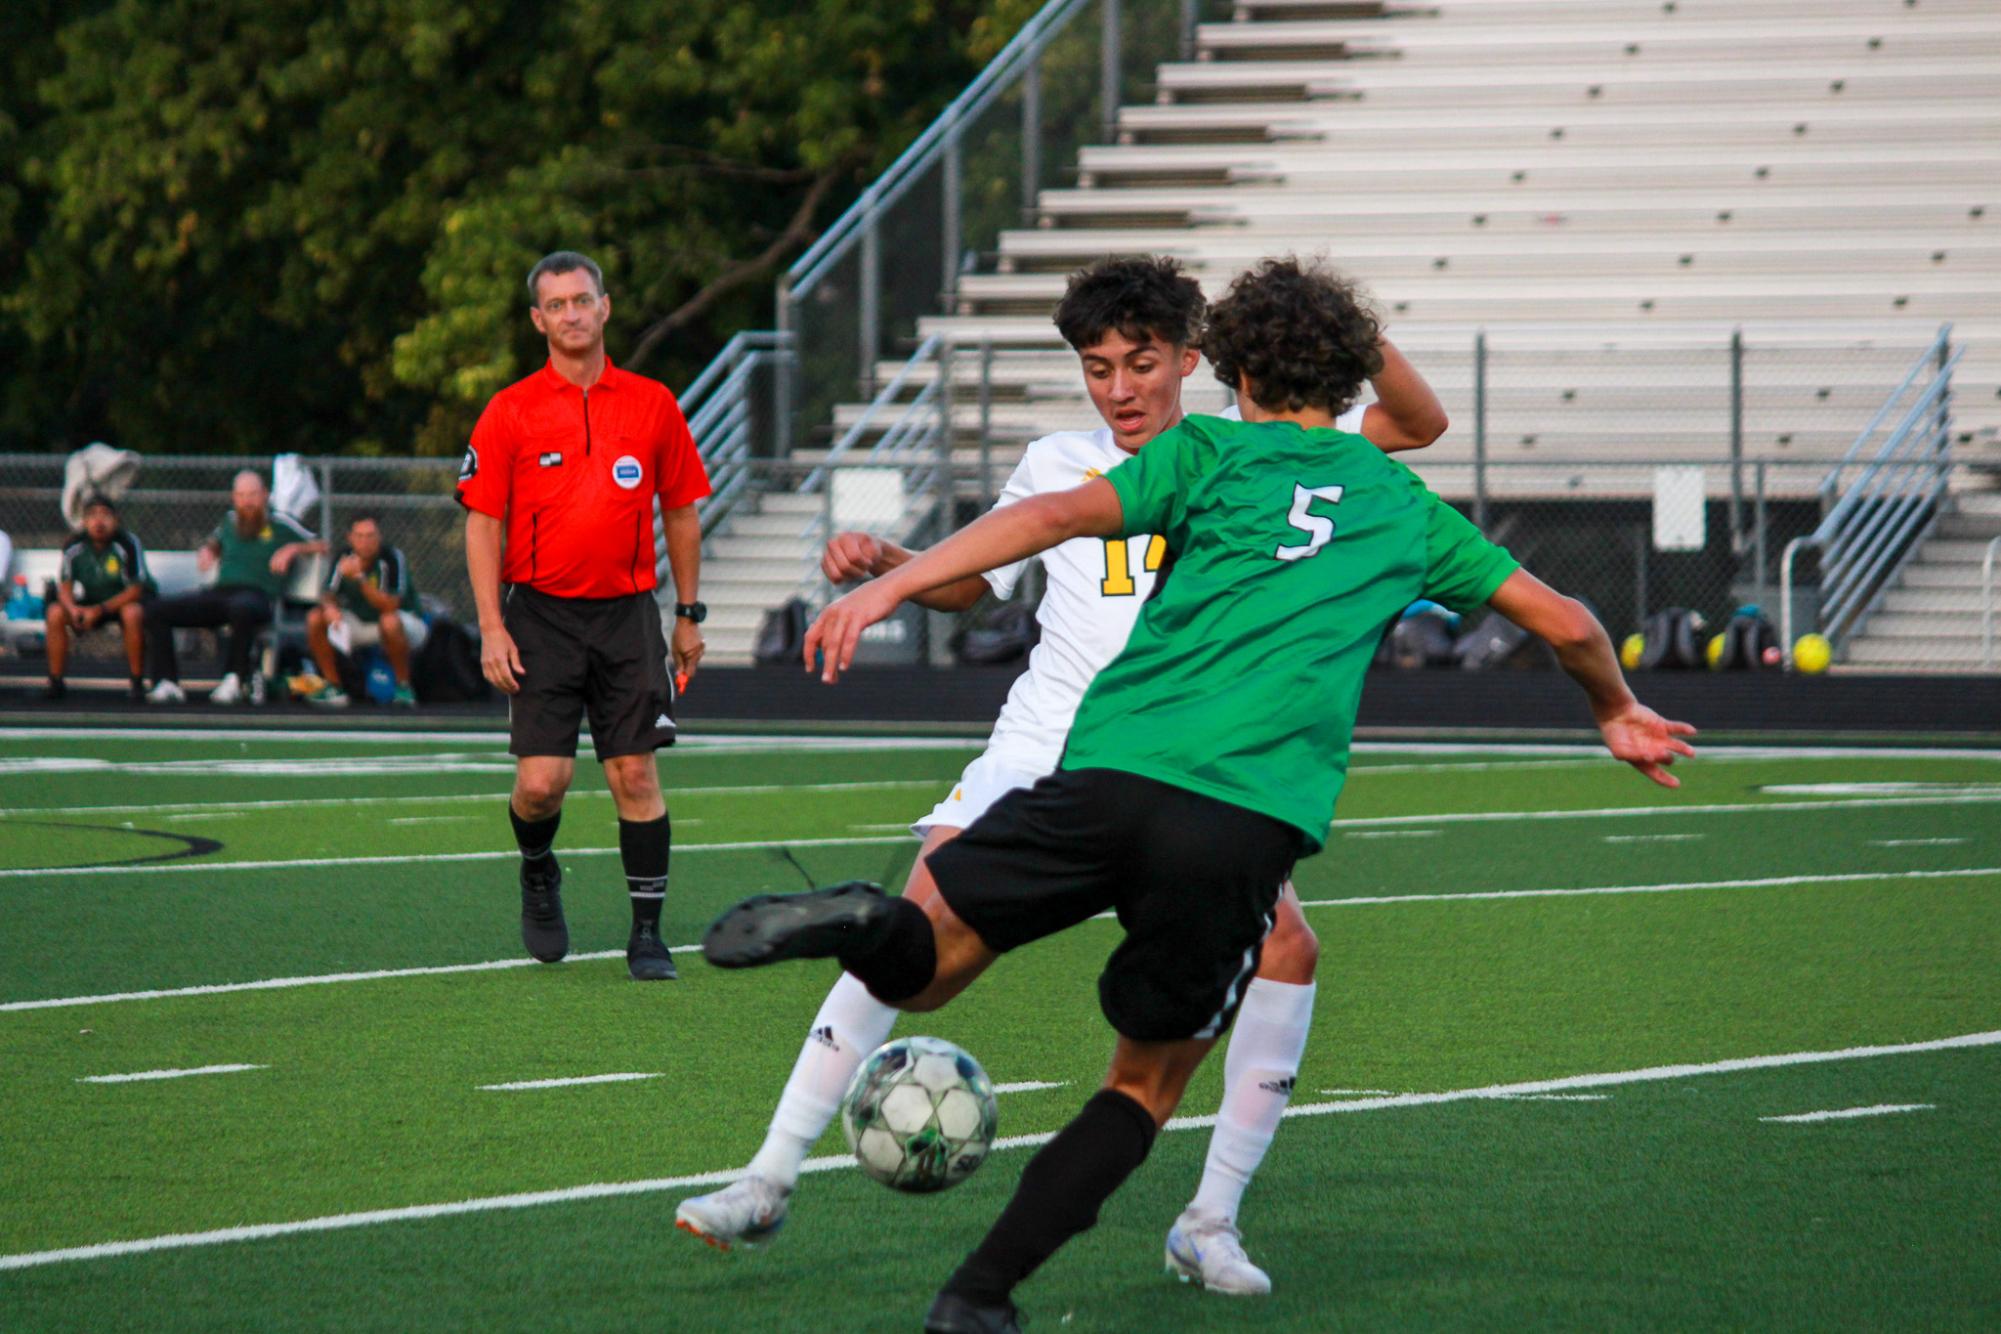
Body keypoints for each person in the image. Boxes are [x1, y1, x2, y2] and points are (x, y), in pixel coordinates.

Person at [702, 258, 1697, 1334]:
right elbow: (1570, 622)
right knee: (1142, 1084)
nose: (1121, 384)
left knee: (929, 965)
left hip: (1106, 768)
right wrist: (1613, 708)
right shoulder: (1398, 502)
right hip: (1234, 815)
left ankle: (865, 922)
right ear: (1346, 373)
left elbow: (1048, 521)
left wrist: (890, 583)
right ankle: (975, 1292)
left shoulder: (1207, 451)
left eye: (1147, 361)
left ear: (1215, 366)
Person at [457, 250, 711, 983]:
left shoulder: (652, 402)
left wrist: (687, 615)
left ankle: (647, 936)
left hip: (628, 617)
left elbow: (681, 510)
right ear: (539, 321)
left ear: (605, 307)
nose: (571, 313)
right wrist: (491, 626)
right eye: (556, 304)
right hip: (538, 616)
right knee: (542, 784)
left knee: (634, 773)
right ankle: (538, 870)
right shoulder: (510, 409)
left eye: (582, 299)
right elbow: (481, 523)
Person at [146, 470, 324, 704]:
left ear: (265, 495)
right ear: (234, 497)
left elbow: (322, 544)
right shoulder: (229, 521)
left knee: (242, 608)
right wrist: (209, 550)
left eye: (252, 494)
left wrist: (293, 549)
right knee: (157, 609)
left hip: (258, 596)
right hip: (220, 593)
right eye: (241, 495)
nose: (247, 501)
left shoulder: (281, 523)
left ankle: (234, 679)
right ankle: (166, 682)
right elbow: (214, 542)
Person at [303, 514, 425, 708]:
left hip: (404, 625)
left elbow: (390, 606)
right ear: (350, 538)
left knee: (389, 621)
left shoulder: (391, 557)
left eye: (370, 536)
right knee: (315, 618)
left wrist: (360, 578)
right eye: (359, 536)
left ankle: (403, 687)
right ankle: (334, 687)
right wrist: (330, 608)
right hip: (362, 624)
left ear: (379, 537)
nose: (365, 542)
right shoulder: (344, 558)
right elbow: (328, 593)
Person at [44, 495, 150, 702]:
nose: (99, 522)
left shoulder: (126, 543)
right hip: (89, 603)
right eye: (92, 516)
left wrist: (100, 610)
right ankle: (55, 681)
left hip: (119, 604)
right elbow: (65, 587)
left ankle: (137, 682)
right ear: (84, 521)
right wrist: (74, 610)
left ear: (116, 520)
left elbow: (135, 590)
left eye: (105, 515)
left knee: (133, 613)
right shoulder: (74, 545)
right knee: (55, 612)